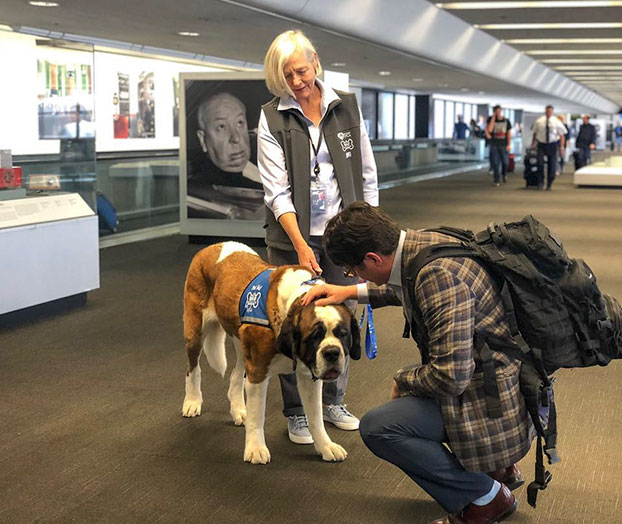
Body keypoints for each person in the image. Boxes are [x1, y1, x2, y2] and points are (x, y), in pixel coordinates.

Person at [302, 202, 533, 524]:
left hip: (488, 403)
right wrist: (347, 291)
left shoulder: (436, 276)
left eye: (355, 271)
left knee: (380, 427)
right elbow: (401, 288)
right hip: (499, 383)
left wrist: (403, 379)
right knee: (406, 407)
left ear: (373, 258)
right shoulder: (422, 245)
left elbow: (451, 377)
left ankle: (486, 497)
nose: (355, 276)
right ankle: (495, 470)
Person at [257, 30, 379, 444]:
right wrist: (300, 244)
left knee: (343, 316)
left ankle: (333, 402)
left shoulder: (346, 106)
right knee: (296, 322)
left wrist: (369, 228)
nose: (296, 82)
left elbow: (366, 173)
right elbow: (276, 191)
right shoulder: (271, 116)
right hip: (292, 238)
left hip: (343, 237)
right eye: (287, 76)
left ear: (315, 62)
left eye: (301, 71)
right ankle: (296, 412)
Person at [187, 91, 265, 220]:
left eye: (240, 123)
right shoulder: (198, 189)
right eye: (221, 127)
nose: (236, 138)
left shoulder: (264, 167)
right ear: (203, 140)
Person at [531, 105, 567, 191]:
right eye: (547, 111)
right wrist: (533, 144)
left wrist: (561, 147)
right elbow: (535, 133)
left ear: (552, 112)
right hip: (541, 144)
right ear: (545, 111)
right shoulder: (539, 121)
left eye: (550, 111)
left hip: (552, 144)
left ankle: (549, 183)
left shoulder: (557, 121)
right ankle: (540, 182)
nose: (549, 113)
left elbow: (562, 135)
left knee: (552, 165)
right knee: (540, 164)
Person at [485, 105, 512, 186]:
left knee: (505, 162)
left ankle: (504, 174)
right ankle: (496, 179)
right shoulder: (490, 119)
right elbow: (489, 129)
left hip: (504, 144)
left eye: (499, 111)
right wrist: (493, 117)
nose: (498, 113)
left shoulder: (506, 121)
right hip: (494, 144)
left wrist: (509, 144)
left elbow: (509, 133)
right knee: (495, 162)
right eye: (496, 111)